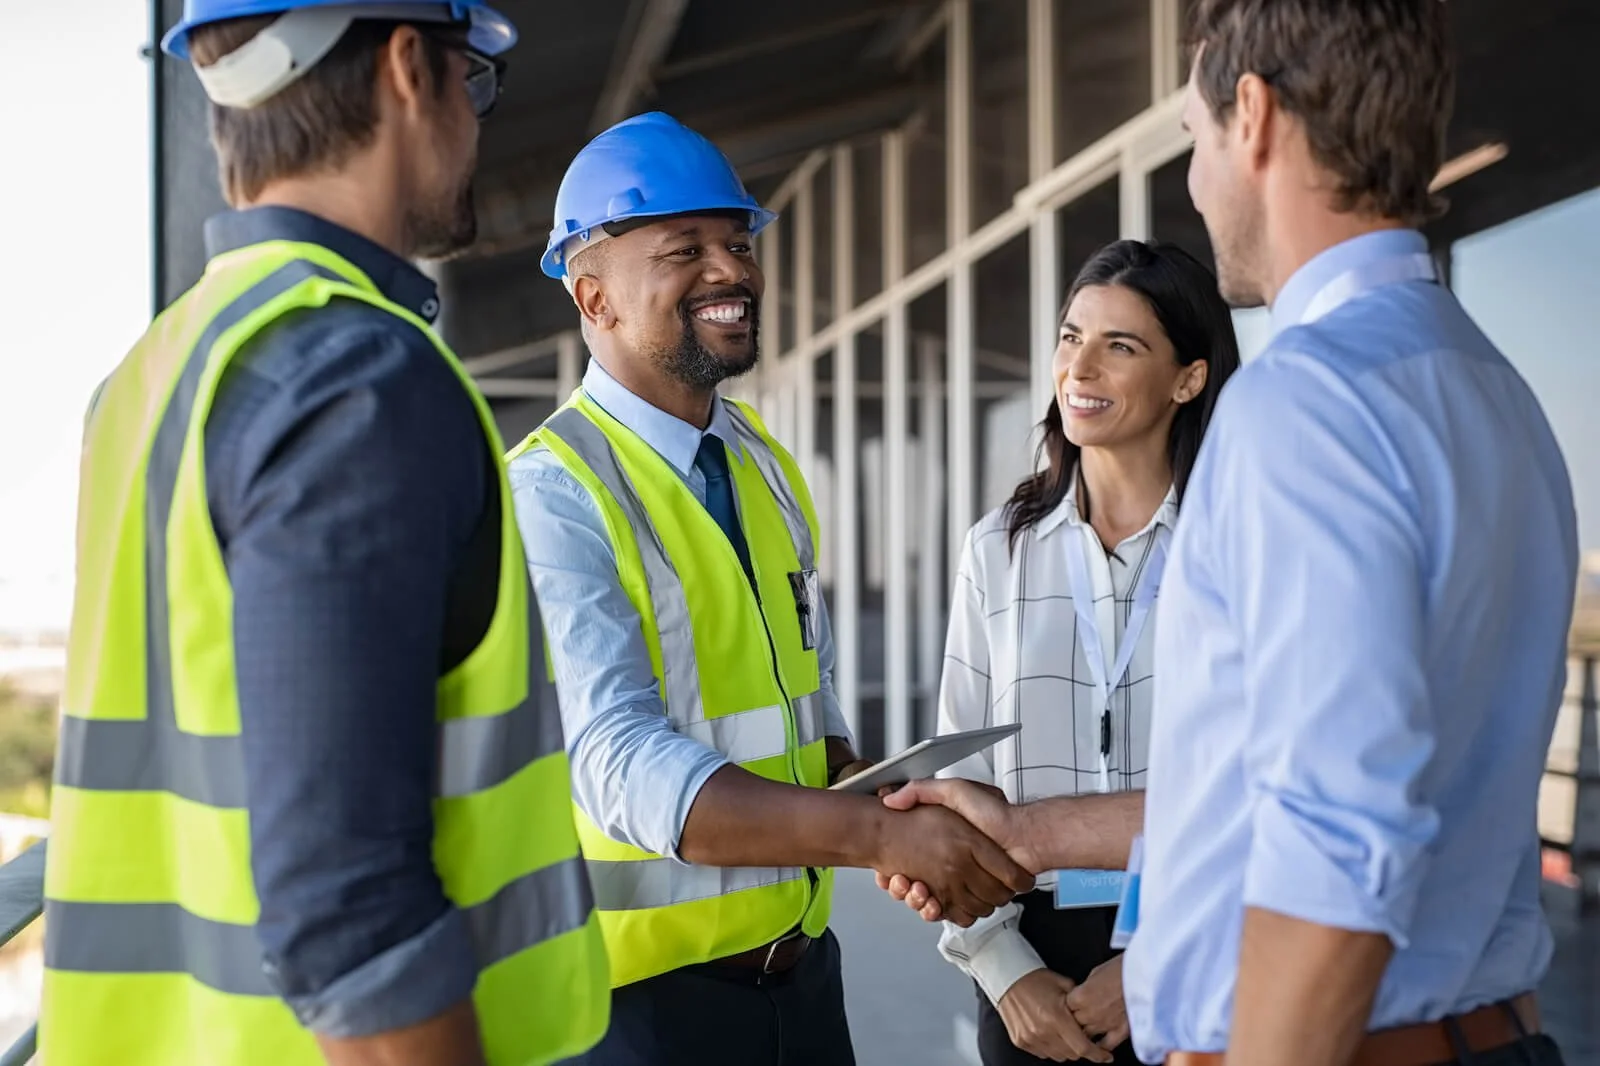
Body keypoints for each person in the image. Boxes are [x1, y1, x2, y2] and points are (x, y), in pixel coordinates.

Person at [881, 2, 1579, 1065]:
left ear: (1248, 117)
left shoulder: (1304, 403)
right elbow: (1265, 787)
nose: (1198, 178)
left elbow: (1335, 842)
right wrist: (1024, 837)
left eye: (1193, 137)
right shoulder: (1493, 392)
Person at [40, 4, 609, 1065]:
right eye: (471, 82)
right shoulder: (355, 377)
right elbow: (352, 919)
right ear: (406, 66)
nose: (476, 127)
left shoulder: (154, 371)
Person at [507, 111, 1033, 1066]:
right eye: (685, 249)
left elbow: (805, 698)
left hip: (802, 984)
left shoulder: (759, 462)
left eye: (738, 242)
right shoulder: (552, 493)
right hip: (637, 1018)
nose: (732, 270)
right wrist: (872, 837)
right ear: (595, 297)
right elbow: (618, 764)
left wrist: (882, 798)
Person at [934, 240, 1238, 1066]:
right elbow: (961, 778)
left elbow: (1262, 783)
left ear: (1190, 379)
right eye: (1071, 337)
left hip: (1202, 950)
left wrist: (1157, 964)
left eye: (1120, 346)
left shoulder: (1237, 546)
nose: (1080, 367)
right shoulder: (998, 547)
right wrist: (1003, 971)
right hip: (1030, 959)